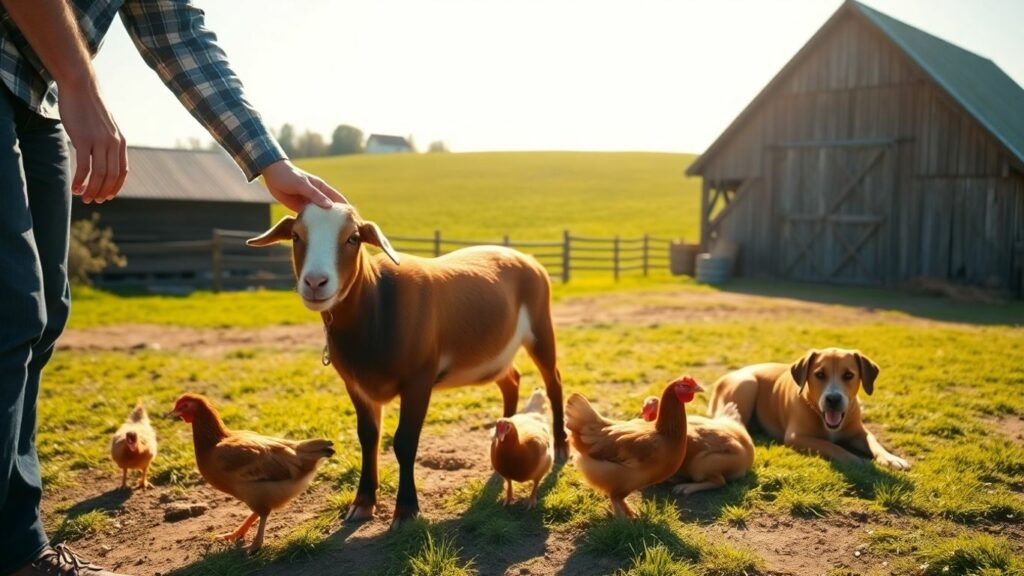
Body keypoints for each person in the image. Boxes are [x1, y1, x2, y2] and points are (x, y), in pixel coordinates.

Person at [0, 2, 345, 574]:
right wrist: (80, 82)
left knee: (42, 315)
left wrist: (268, 160)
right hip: (35, 77)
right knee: (10, 310)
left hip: (33, 95)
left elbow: (174, 29)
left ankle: (18, 548)